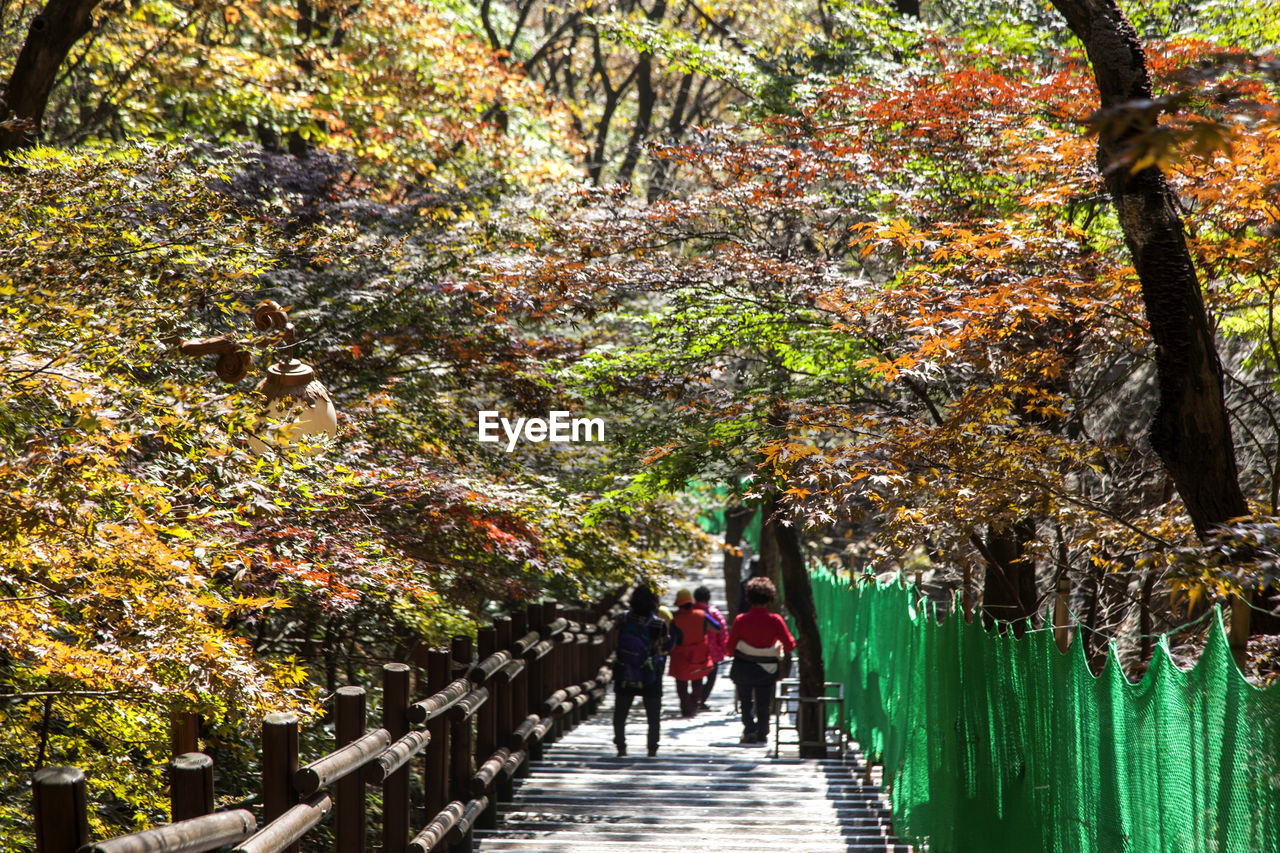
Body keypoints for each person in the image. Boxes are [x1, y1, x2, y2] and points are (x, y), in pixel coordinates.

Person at [727, 576, 795, 744]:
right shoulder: (775, 620)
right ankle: (763, 731)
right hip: (767, 669)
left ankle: (749, 729)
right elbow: (789, 645)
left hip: (743, 667)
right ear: (770, 597)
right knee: (764, 702)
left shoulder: (741, 620)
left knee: (745, 701)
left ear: (748, 597)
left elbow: (729, 648)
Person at [613, 584, 670, 757]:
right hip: (650, 673)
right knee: (653, 715)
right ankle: (652, 748)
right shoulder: (658, 624)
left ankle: (621, 747)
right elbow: (664, 646)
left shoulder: (622, 619)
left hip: (625, 669)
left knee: (621, 712)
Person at [668, 588, 721, 717]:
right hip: (699, 653)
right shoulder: (702, 615)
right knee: (697, 679)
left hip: (680, 655)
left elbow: (672, 641)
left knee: (682, 683)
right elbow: (717, 627)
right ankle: (694, 703)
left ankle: (686, 707)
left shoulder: (675, 620)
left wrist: (665, 650)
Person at [692, 586, 727, 710]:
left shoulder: (690, 611)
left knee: (696, 677)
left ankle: (694, 699)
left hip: (693, 651)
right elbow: (722, 632)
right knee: (711, 678)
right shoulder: (713, 613)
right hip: (712, 652)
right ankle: (701, 699)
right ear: (708, 598)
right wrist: (724, 648)